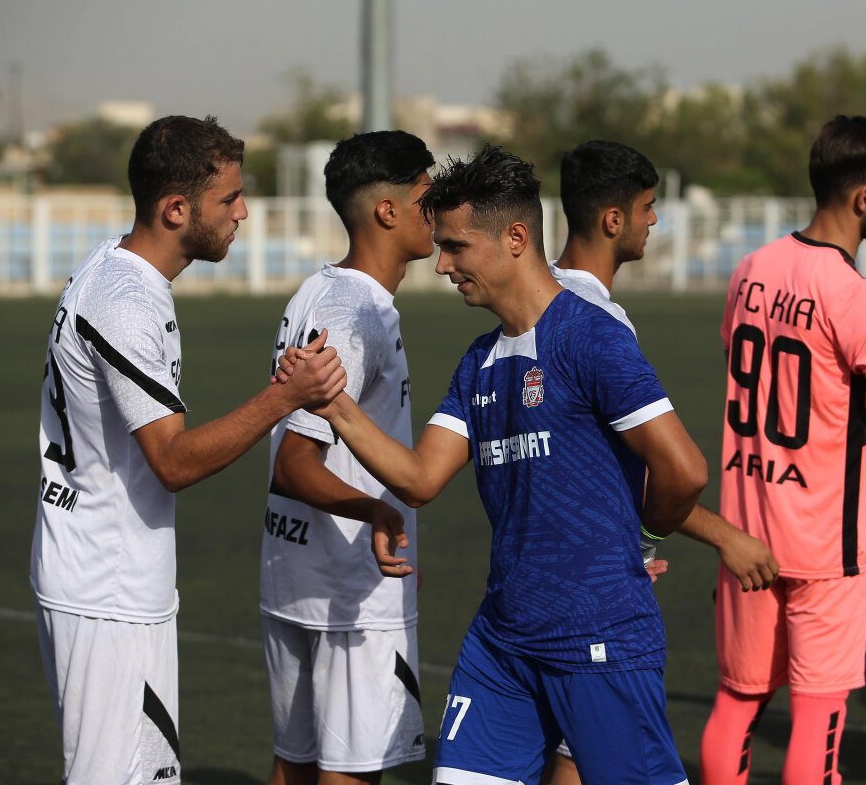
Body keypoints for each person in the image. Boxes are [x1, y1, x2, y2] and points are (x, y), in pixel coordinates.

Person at [281, 145, 707, 785]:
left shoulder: (592, 336)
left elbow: (684, 470)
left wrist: (642, 538)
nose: (442, 265)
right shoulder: (479, 360)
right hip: (504, 641)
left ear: (515, 238)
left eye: (456, 247)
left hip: (597, 637)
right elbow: (420, 478)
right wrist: (333, 403)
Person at [31, 115, 345, 785]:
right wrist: (285, 397)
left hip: (102, 576)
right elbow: (172, 461)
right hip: (107, 590)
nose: (243, 213)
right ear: (176, 209)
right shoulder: (126, 301)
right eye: (230, 198)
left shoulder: (116, 268)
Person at [698, 115, 866, 785]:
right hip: (827, 547)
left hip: (747, 533)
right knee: (819, 713)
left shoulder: (752, 269)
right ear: (863, 197)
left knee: (738, 701)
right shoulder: (855, 295)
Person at [544, 139, 779, 785]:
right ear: (612, 219)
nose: (655, 220)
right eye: (648, 207)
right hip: (594, 589)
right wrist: (713, 536)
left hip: (541, 575)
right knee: (602, 756)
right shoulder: (596, 320)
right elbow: (675, 471)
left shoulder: (537, 301)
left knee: (567, 750)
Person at [260, 130, 435, 785]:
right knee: (351, 772)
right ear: (387, 210)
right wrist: (378, 512)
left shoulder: (315, 289)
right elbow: (295, 462)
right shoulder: (360, 312)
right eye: (427, 197)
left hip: (293, 570)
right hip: (350, 589)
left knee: (295, 765)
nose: (439, 211)